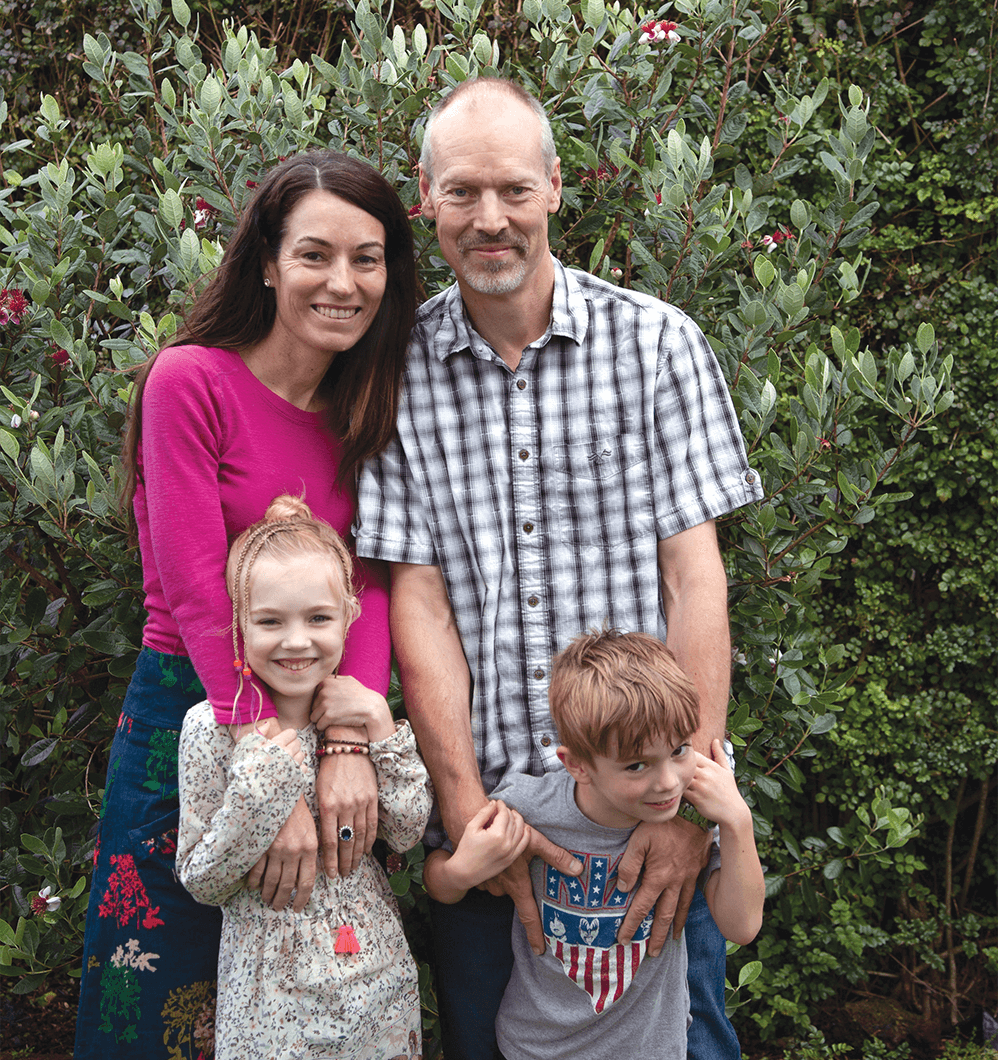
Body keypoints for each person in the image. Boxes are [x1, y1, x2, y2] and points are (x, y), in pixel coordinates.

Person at [355, 78, 764, 1060]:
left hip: (643, 822)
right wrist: (460, 816)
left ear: (553, 186)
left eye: (509, 189)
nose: (487, 219)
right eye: (460, 193)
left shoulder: (655, 345)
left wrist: (684, 808)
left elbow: (692, 583)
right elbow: (421, 606)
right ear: (425, 196)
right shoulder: (392, 372)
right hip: (500, 829)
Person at [75, 150, 418, 1057]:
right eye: (315, 254)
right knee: (154, 992)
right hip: (195, 716)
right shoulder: (190, 382)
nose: (342, 283)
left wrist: (346, 741)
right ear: (267, 261)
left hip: (329, 712)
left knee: (307, 996)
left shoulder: (369, 403)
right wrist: (269, 768)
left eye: (368, 258)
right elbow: (194, 588)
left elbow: (372, 582)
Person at [424, 628, 764, 1059]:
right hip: (537, 1049)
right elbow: (438, 878)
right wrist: (460, 871)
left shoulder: (693, 815)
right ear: (577, 765)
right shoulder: (526, 806)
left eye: (678, 750)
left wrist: (738, 821)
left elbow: (742, 925)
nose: (667, 782)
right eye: (637, 765)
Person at [177, 495, 431, 1059]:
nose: (296, 641)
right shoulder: (211, 730)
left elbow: (408, 831)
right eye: (270, 621)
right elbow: (202, 878)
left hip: (374, 983)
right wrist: (265, 788)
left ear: (350, 616)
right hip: (270, 1001)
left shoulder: (357, 716)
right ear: (238, 624)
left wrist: (383, 726)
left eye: (318, 618)